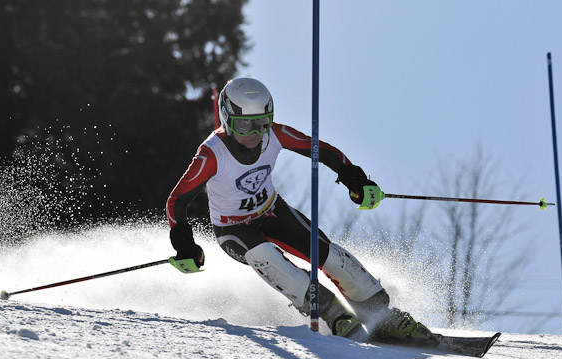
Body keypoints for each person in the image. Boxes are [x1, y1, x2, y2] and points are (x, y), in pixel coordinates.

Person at [166, 77, 433, 343]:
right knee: (268, 258)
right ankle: (333, 314)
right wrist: (185, 245)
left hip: (273, 212)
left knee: (328, 255)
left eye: (261, 123)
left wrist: (356, 181)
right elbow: (177, 201)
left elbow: (324, 151)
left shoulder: (275, 135)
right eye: (243, 125)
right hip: (233, 229)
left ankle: (380, 316)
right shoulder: (212, 154)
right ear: (226, 118)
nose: (254, 134)